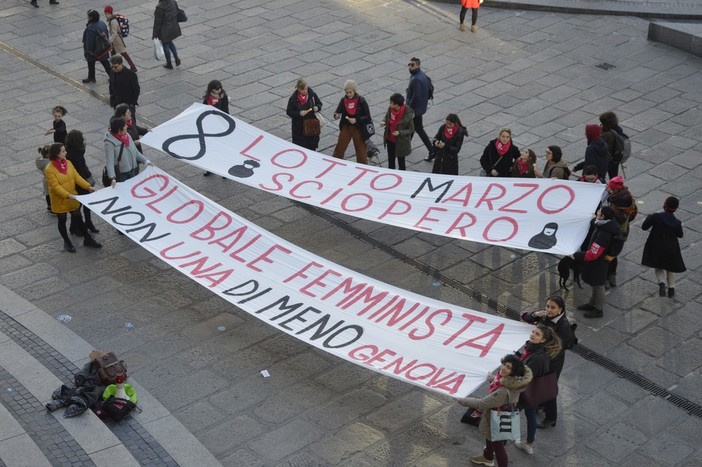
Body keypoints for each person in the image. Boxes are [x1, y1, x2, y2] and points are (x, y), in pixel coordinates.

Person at [457, 355, 533, 467]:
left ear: (513, 372)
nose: (503, 368)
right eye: (504, 364)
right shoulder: (512, 382)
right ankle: (487, 457)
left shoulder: (503, 392)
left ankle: (493, 459)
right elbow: (499, 381)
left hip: (496, 420)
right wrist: (491, 378)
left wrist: (463, 401)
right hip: (497, 417)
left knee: (498, 446)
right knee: (490, 437)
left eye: (508, 367)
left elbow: (481, 404)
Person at [520, 296, 575, 430]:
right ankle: (541, 404)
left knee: (548, 387)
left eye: (553, 307)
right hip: (541, 357)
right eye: (547, 306)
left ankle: (551, 418)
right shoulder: (544, 317)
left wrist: (538, 345)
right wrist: (535, 314)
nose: (549, 310)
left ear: (560, 310)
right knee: (540, 384)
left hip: (552, 361)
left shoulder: (564, 326)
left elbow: (557, 346)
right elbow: (525, 317)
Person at [44, 143, 102, 252]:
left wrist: (88, 186)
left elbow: (76, 177)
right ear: (57, 154)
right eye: (63, 151)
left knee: (79, 218)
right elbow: (55, 186)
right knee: (62, 220)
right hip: (61, 200)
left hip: (72, 197)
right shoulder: (49, 169)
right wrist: (67, 195)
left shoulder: (68, 163)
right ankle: (67, 241)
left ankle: (87, 239)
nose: (66, 152)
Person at [514, 324, 561, 456]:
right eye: (533, 332)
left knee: (508, 416)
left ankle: (498, 446)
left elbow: (525, 376)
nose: (533, 334)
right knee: (530, 415)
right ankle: (529, 444)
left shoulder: (537, 357)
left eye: (537, 334)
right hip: (534, 394)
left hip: (525, 393)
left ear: (543, 340)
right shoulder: (535, 350)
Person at [574, 206, 620, 318]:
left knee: (598, 285)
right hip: (597, 263)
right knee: (595, 284)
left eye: (599, 212)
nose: (597, 213)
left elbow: (593, 254)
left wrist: (575, 255)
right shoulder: (604, 225)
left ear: (603, 216)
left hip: (599, 263)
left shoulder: (604, 233)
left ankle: (598, 309)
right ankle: (592, 303)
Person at [641, 196, 686, 298]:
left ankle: (661, 283)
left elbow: (644, 227)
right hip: (671, 248)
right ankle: (671, 288)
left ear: (665, 204)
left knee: (659, 266)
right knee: (670, 268)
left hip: (656, 246)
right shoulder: (677, 222)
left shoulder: (656, 217)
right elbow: (680, 235)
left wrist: (649, 217)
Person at [604, 175, 637, 289]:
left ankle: (606, 278)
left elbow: (609, 215)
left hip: (613, 232)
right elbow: (633, 214)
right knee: (614, 254)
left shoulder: (615, 203)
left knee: (607, 254)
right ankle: (612, 277)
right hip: (624, 230)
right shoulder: (629, 198)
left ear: (615, 190)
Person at [65, 130, 99, 234]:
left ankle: (84, 223)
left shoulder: (77, 151)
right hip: (78, 182)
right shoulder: (73, 154)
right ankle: (76, 226)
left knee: (84, 204)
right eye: (82, 138)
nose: (84, 139)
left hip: (82, 179)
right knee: (79, 204)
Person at [332, 80, 372, 165]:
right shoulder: (343, 100)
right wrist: (336, 115)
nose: (348, 94)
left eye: (350, 92)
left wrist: (356, 120)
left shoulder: (361, 101)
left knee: (360, 150)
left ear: (354, 91)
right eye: (347, 92)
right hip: (346, 126)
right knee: (340, 147)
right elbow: (337, 111)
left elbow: (368, 117)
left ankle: (363, 166)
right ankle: (335, 163)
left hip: (358, 128)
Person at [104, 118, 151, 187]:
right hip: (121, 174)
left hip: (132, 170)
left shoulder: (127, 135)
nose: (127, 127)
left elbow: (135, 152)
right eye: (125, 126)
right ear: (120, 130)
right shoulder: (109, 143)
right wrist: (112, 177)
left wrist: (146, 161)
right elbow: (109, 161)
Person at [201, 80, 232, 176]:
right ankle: (210, 168)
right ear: (212, 89)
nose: (220, 90)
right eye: (217, 88)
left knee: (222, 148)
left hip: (221, 124)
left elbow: (225, 111)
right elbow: (203, 109)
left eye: (220, 87)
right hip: (210, 125)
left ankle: (224, 170)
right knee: (210, 148)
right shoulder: (207, 98)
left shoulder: (223, 97)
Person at [406, 58, 434, 161]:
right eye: (409, 65)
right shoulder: (421, 75)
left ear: (418, 65)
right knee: (414, 127)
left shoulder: (416, 79)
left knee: (418, 129)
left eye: (412, 65)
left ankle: (432, 151)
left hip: (415, 110)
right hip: (420, 107)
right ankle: (407, 146)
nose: (410, 67)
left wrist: (408, 106)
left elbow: (416, 96)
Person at [380, 93, 414, 171]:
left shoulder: (407, 113)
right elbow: (387, 116)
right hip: (390, 138)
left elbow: (411, 129)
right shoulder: (390, 108)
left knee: (401, 162)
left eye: (391, 103)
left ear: (397, 105)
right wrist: (384, 121)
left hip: (401, 142)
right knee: (391, 160)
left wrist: (400, 132)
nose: (390, 104)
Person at [285, 79, 321, 152]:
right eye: (302, 90)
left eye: (306, 89)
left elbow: (319, 103)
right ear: (298, 89)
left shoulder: (312, 95)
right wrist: (299, 113)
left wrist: (317, 108)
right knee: (300, 147)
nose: (305, 91)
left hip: (311, 126)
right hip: (299, 128)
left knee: (311, 147)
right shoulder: (293, 99)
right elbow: (289, 111)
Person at [104, 6, 137, 72]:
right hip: (115, 41)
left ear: (110, 13)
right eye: (106, 13)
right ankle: (114, 69)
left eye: (108, 13)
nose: (107, 15)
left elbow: (114, 33)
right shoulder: (112, 18)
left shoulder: (113, 21)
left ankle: (133, 67)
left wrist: (109, 41)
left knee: (123, 53)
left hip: (117, 41)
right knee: (114, 54)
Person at [82, 10, 112, 84]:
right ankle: (112, 76)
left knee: (91, 63)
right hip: (103, 47)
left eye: (88, 16)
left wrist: (89, 51)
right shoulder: (102, 23)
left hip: (95, 49)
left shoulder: (91, 27)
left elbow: (89, 41)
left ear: (91, 17)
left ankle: (92, 77)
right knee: (105, 62)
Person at [109, 55, 140, 125]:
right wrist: (112, 96)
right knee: (119, 123)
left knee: (131, 123)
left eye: (115, 67)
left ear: (121, 64)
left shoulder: (131, 75)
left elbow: (136, 90)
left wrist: (132, 103)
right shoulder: (112, 73)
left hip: (127, 103)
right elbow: (111, 85)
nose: (113, 69)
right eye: (112, 67)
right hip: (116, 103)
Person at [153, 0, 182, 70]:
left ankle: (169, 63)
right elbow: (177, 11)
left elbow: (157, 22)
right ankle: (176, 58)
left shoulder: (160, 7)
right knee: (170, 42)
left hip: (165, 29)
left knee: (165, 44)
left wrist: (155, 34)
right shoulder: (173, 2)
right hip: (174, 26)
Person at [599, 111, 628, 179]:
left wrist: (600, 133)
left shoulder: (607, 134)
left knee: (601, 176)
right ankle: (616, 186)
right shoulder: (617, 129)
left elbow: (602, 147)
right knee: (614, 176)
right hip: (616, 158)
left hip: (608, 160)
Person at [36, 145, 52, 212]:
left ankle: (49, 206)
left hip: (45, 180)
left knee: (47, 193)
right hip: (50, 180)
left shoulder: (41, 161)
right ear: (48, 155)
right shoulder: (48, 163)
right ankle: (51, 207)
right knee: (50, 194)